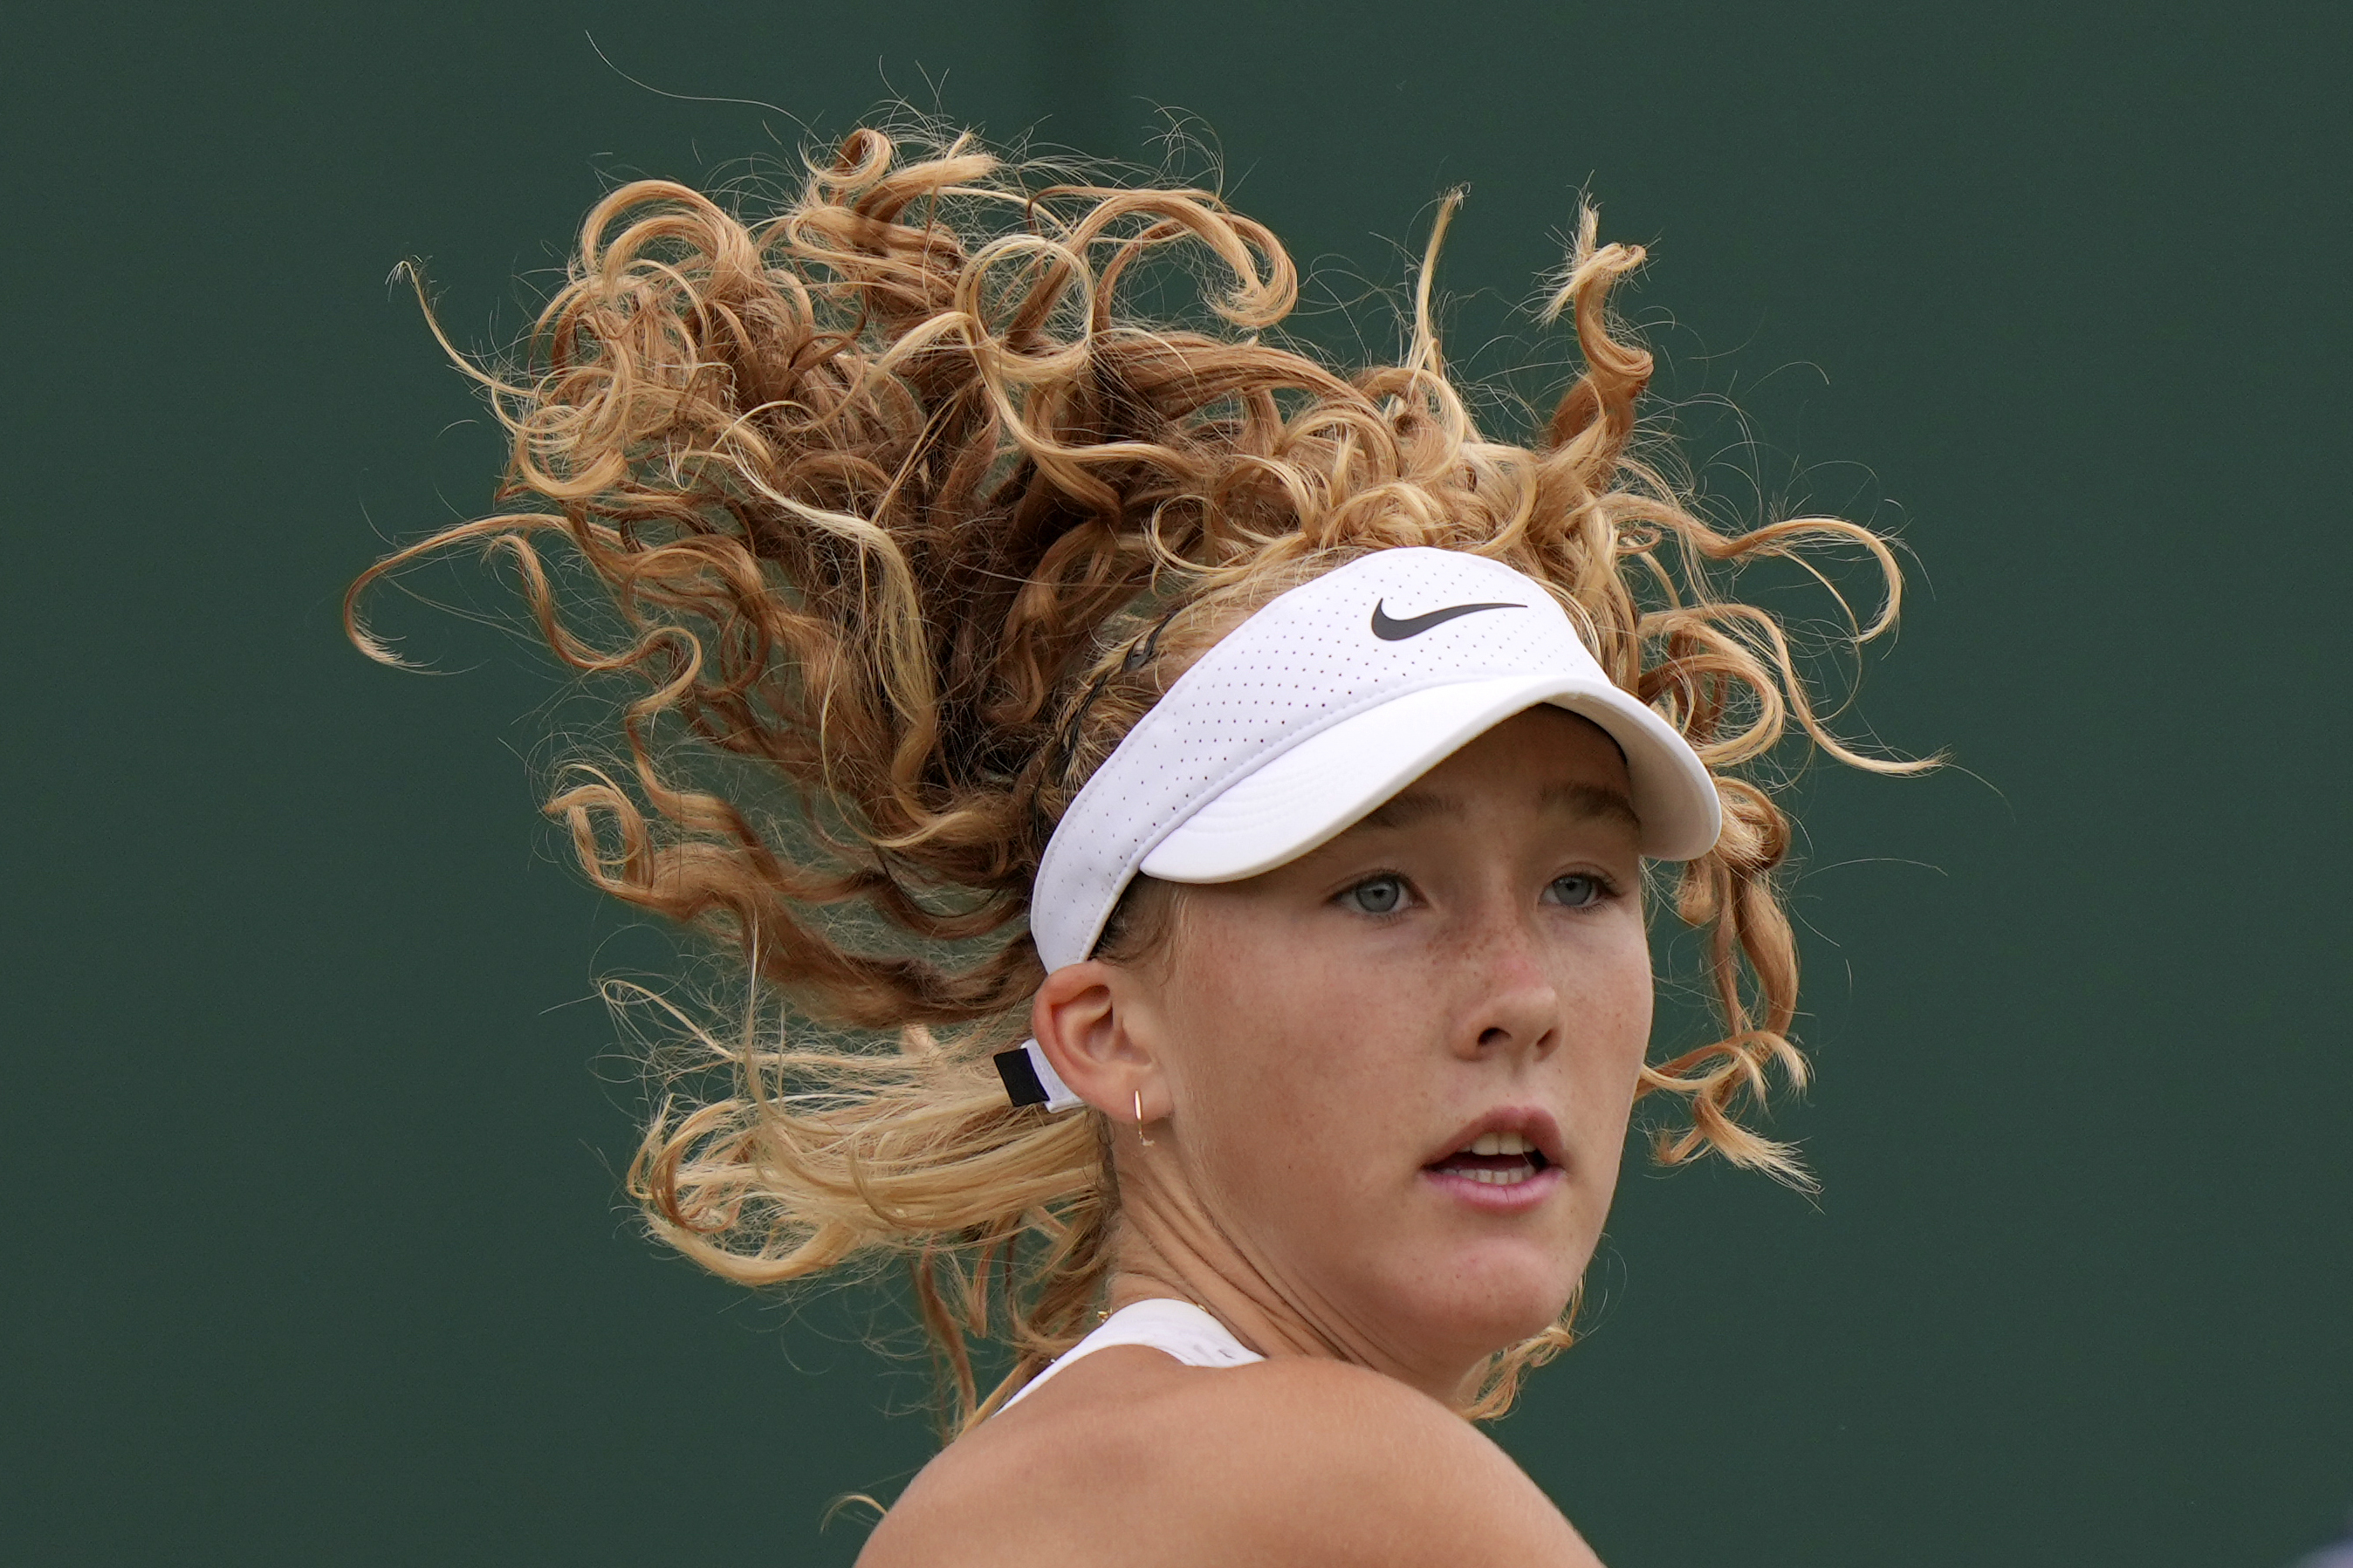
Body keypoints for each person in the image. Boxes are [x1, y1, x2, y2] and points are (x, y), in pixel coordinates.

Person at [353, 124, 1918, 1565]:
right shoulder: (1324, 1477)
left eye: (1580, 884)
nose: (1523, 991)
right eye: (1379, 885)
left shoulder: (1127, 1473)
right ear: (1108, 1035)